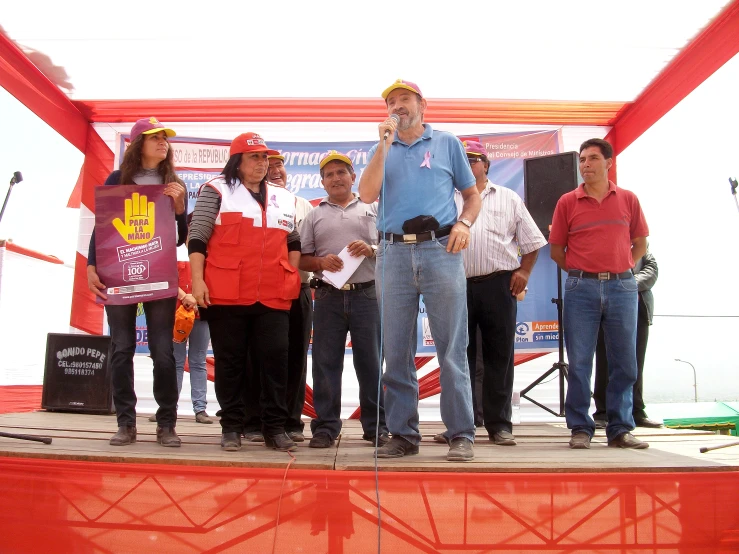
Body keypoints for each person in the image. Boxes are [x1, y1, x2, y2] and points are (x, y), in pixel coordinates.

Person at [358, 79, 481, 461]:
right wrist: (383, 145)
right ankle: (403, 434)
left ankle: (461, 432)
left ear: (422, 104)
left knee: (451, 347)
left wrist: (464, 224)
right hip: (392, 253)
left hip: (440, 248)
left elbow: (472, 195)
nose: (398, 106)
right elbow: (366, 194)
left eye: (404, 100)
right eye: (391, 102)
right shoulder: (383, 146)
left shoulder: (447, 143)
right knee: (395, 349)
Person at [188, 132, 301, 452]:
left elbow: (293, 240)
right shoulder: (216, 190)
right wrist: (198, 281)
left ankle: (275, 428)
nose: (262, 163)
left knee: (276, 360)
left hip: (273, 293)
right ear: (237, 162)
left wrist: (290, 271)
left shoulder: (283, 196)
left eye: (265, 157)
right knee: (230, 362)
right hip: (227, 292)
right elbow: (197, 238)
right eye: (255, 157)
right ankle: (232, 426)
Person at [87, 117, 187, 447]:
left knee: (162, 351)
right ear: (136, 144)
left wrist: (179, 209)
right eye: (154, 137)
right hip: (118, 274)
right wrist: (91, 265)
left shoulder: (173, 181)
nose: (163, 142)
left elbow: (180, 240)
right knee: (121, 348)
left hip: (158, 275)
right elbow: (103, 226)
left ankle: (166, 423)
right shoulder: (119, 178)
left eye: (165, 138)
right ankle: (126, 423)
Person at [549, 138, 650, 450]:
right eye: (582, 160)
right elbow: (556, 250)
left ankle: (620, 428)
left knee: (625, 362)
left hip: (622, 287)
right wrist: (583, 272)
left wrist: (623, 268)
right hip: (581, 288)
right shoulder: (567, 201)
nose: (585, 165)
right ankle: (580, 427)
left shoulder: (628, 199)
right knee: (579, 361)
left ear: (609, 163)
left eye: (592, 159)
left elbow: (641, 242)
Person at [455, 140, 546, 446]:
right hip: (455, 285)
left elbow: (532, 241)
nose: (468, 165)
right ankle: (460, 426)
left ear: (486, 165)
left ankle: (499, 425)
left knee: (499, 357)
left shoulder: (508, 197)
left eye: (473, 160)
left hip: (499, 284)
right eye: (462, 160)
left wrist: (523, 272)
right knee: (458, 358)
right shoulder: (444, 198)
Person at [299, 151, 388, 449]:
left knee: (372, 364)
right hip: (328, 297)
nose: (336, 178)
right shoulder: (314, 215)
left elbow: (390, 245)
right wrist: (321, 262)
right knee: (325, 363)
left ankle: (376, 426)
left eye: (341, 172)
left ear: (354, 176)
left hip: (368, 294)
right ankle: (325, 427)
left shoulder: (374, 208)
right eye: (329, 174)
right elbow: (302, 259)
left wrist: (372, 248)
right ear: (322, 182)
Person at [241, 150, 314, 443]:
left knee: (295, 355)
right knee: (255, 355)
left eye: (279, 165)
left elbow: (312, 250)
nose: (274, 170)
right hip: (259, 291)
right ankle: (253, 421)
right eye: (267, 166)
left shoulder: (304, 205)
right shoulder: (245, 202)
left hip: (298, 289)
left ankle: (291, 422)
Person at [593, 247, 660, 428]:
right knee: (605, 360)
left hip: (639, 310)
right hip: (608, 308)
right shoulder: (607, 243)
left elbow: (652, 271)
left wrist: (628, 286)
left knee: (636, 362)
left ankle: (636, 411)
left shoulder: (643, 248)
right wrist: (622, 288)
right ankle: (603, 412)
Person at [173, 260, 213, 424]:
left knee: (198, 361)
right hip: (177, 313)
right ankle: (169, 407)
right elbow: (165, 277)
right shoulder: (170, 248)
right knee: (175, 361)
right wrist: (184, 297)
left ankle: (200, 408)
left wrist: (196, 300)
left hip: (201, 312)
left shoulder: (206, 251)